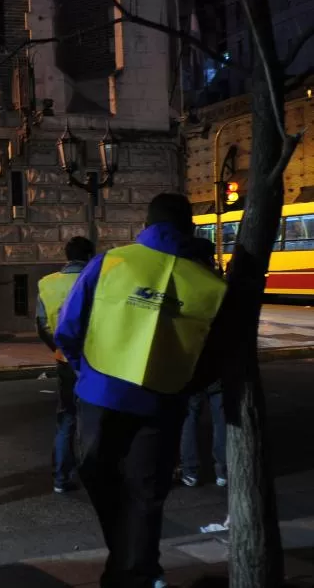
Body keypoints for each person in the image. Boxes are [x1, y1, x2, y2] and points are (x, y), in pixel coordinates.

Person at [55, 193, 228, 588]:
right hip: (164, 401)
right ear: (190, 228)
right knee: (147, 489)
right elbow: (215, 356)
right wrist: (182, 386)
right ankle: (138, 567)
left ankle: (131, 567)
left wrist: (87, 372)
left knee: (100, 474)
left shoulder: (111, 262)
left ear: (145, 224)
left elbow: (68, 326)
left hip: (101, 393)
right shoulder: (210, 283)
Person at [35, 236, 95, 494]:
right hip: (96, 359)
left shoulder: (48, 284)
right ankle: (93, 476)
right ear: (91, 255)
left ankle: (61, 477)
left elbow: (41, 325)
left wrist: (58, 349)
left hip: (64, 359)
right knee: (92, 420)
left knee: (66, 417)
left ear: (66, 255)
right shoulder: (98, 280)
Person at [180, 236, 227, 489]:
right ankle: (223, 470)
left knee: (190, 415)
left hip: (191, 361)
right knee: (222, 418)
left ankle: (190, 471)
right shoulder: (218, 284)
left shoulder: (183, 283)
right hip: (218, 361)